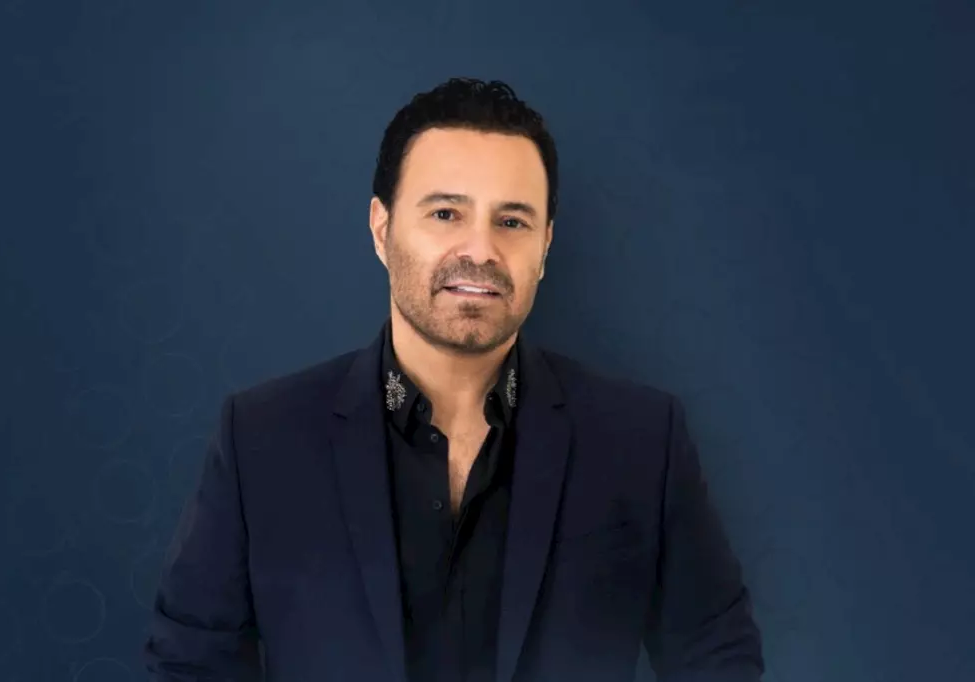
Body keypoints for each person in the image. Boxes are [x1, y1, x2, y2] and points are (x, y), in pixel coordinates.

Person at [144, 77, 764, 682]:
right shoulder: (261, 439)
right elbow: (190, 664)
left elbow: (717, 656)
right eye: (446, 213)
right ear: (382, 229)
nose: (481, 250)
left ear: (545, 246)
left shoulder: (643, 439)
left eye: (512, 222)